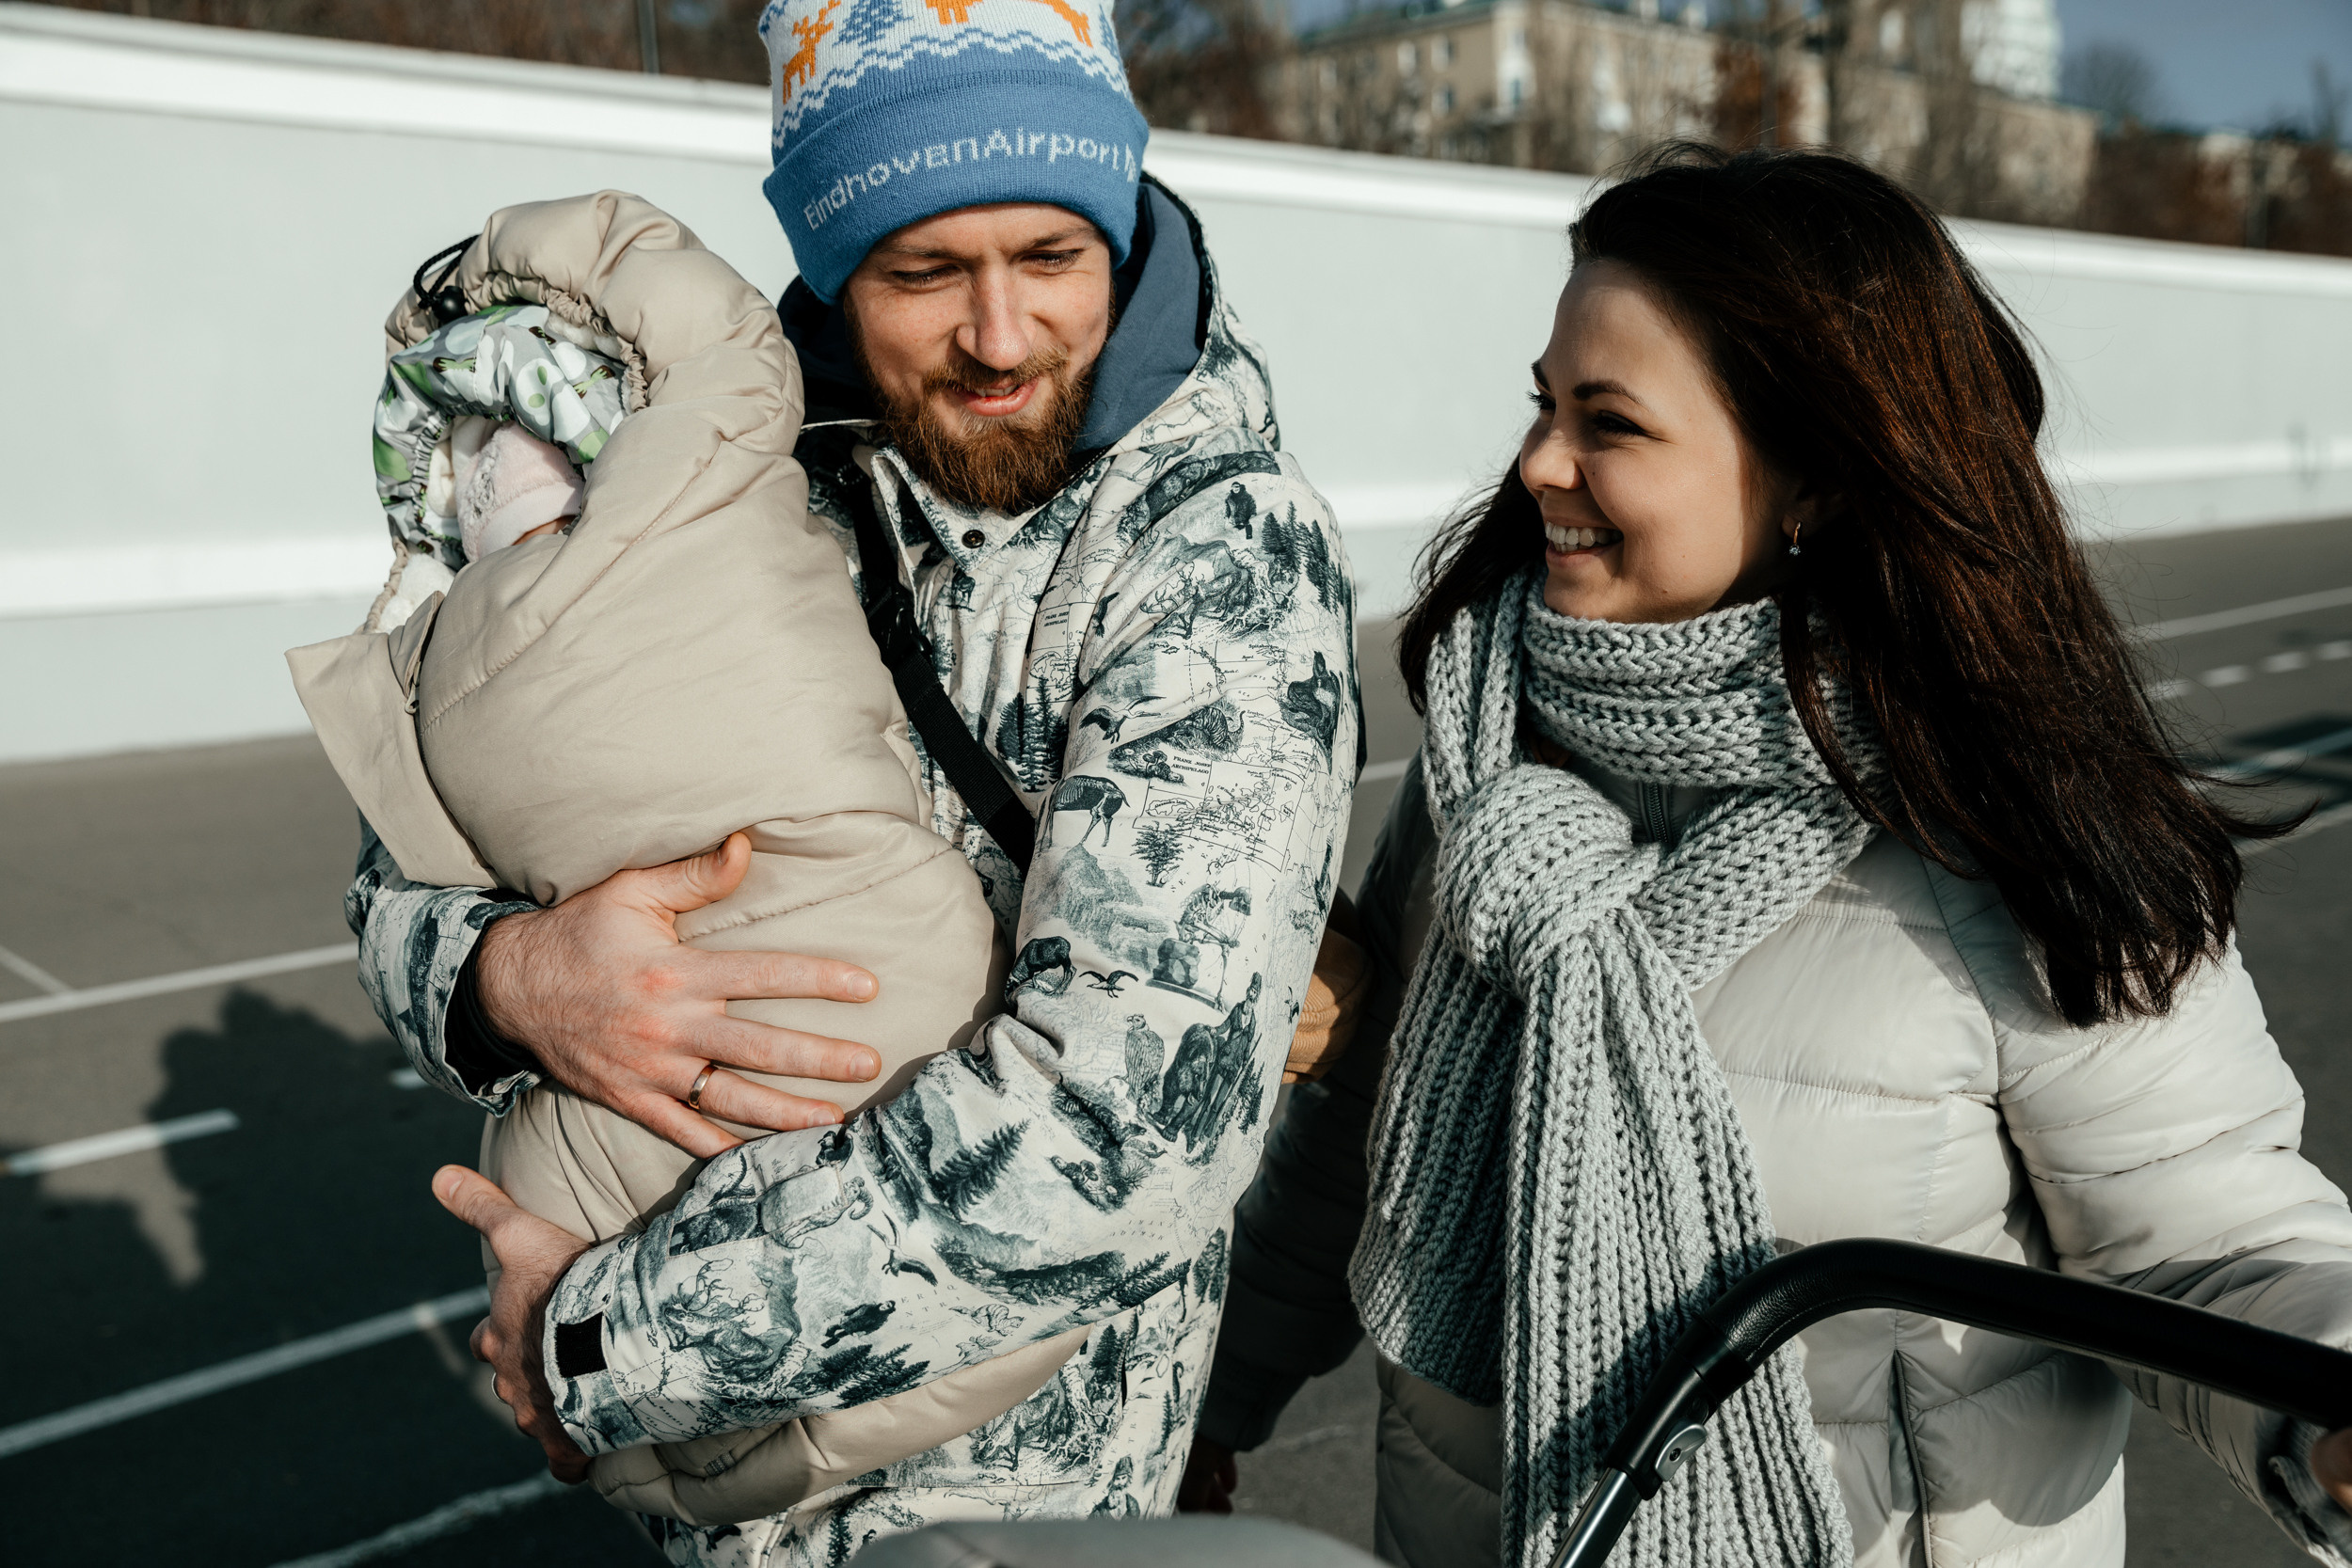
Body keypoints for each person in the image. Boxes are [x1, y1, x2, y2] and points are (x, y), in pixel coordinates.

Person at [1184, 143, 2352, 1568]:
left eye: (1608, 422)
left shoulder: (1997, 820)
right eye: (1544, 405)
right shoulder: (1489, 773)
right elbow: (1349, 1149)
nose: (1542, 461)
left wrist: (2332, 1402)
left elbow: (2210, 1233)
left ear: (1815, 476)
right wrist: (1215, 1401)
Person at [343, 2, 1359, 1561]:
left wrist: (603, 1342)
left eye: (1052, 258)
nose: (1002, 336)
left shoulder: (1217, 555)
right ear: (827, 263)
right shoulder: (697, 451)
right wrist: (510, 976)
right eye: (925, 273)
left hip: (1011, 1495)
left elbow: (1119, 1134)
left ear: (1125, 228)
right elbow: (403, 853)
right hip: (704, 1493)